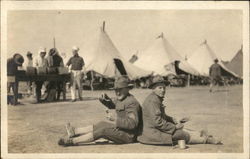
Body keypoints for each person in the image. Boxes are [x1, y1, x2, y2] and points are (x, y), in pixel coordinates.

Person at [58, 76, 143, 146]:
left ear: (128, 89)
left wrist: (115, 119)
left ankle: (73, 141)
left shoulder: (132, 103)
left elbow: (132, 124)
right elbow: (114, 105)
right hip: (121, 130)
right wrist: (104, 100)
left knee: (103, 131)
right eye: (115, 90)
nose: (117, 93)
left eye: (120, 89)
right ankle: (75, 131)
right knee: (102, 124)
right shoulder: (122, 98)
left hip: (128, 136)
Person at [137, 75, 221, 146]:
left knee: (178, 129)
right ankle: (205, 140)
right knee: (180, 134)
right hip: (152, 134)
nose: (163, 90)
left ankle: (200, 134)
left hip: (155, 130)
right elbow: (157, 122)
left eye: (164, 88)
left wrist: (173, 119)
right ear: (153, 88)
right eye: (160, 88)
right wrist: (175, 127)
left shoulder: (156, 98)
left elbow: (161, 116)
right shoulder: (153, 101)